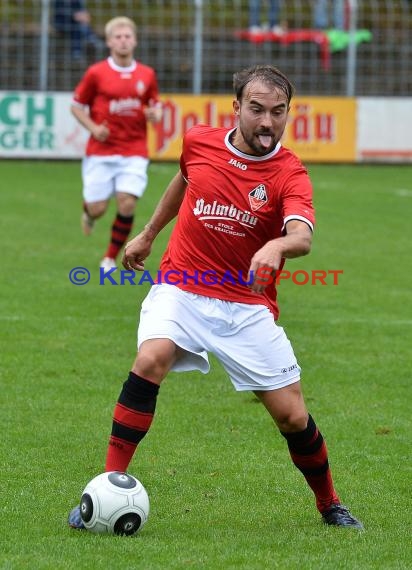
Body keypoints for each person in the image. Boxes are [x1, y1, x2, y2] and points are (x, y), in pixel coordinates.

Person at [68, 64, 363, 530]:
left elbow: (301, 236)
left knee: (291, 415)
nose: (267, 121)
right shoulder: (200, 142)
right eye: (257, 109)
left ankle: (330, 504)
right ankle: (109, 482)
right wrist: (147, 234)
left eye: (278, 112)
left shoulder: (290, 172)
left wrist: (277, 244)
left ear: (289, 113)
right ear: (237, 108)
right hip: (181, 286)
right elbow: (185, 180)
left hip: (246, 305)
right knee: (151, 359)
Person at [70, 16, 162, 270]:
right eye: (118, 37)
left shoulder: (147, 74)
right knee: (98, 208)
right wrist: (93, 128)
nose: (123, 41)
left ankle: (109, 257)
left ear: (134, 40)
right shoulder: (96, 73)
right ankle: (89, 213)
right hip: (101, 151)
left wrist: (156, 114)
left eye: (127, 36)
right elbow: (77, 107)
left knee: (127, 201)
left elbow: (155, 105)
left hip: (134, 150)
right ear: (109, 42)